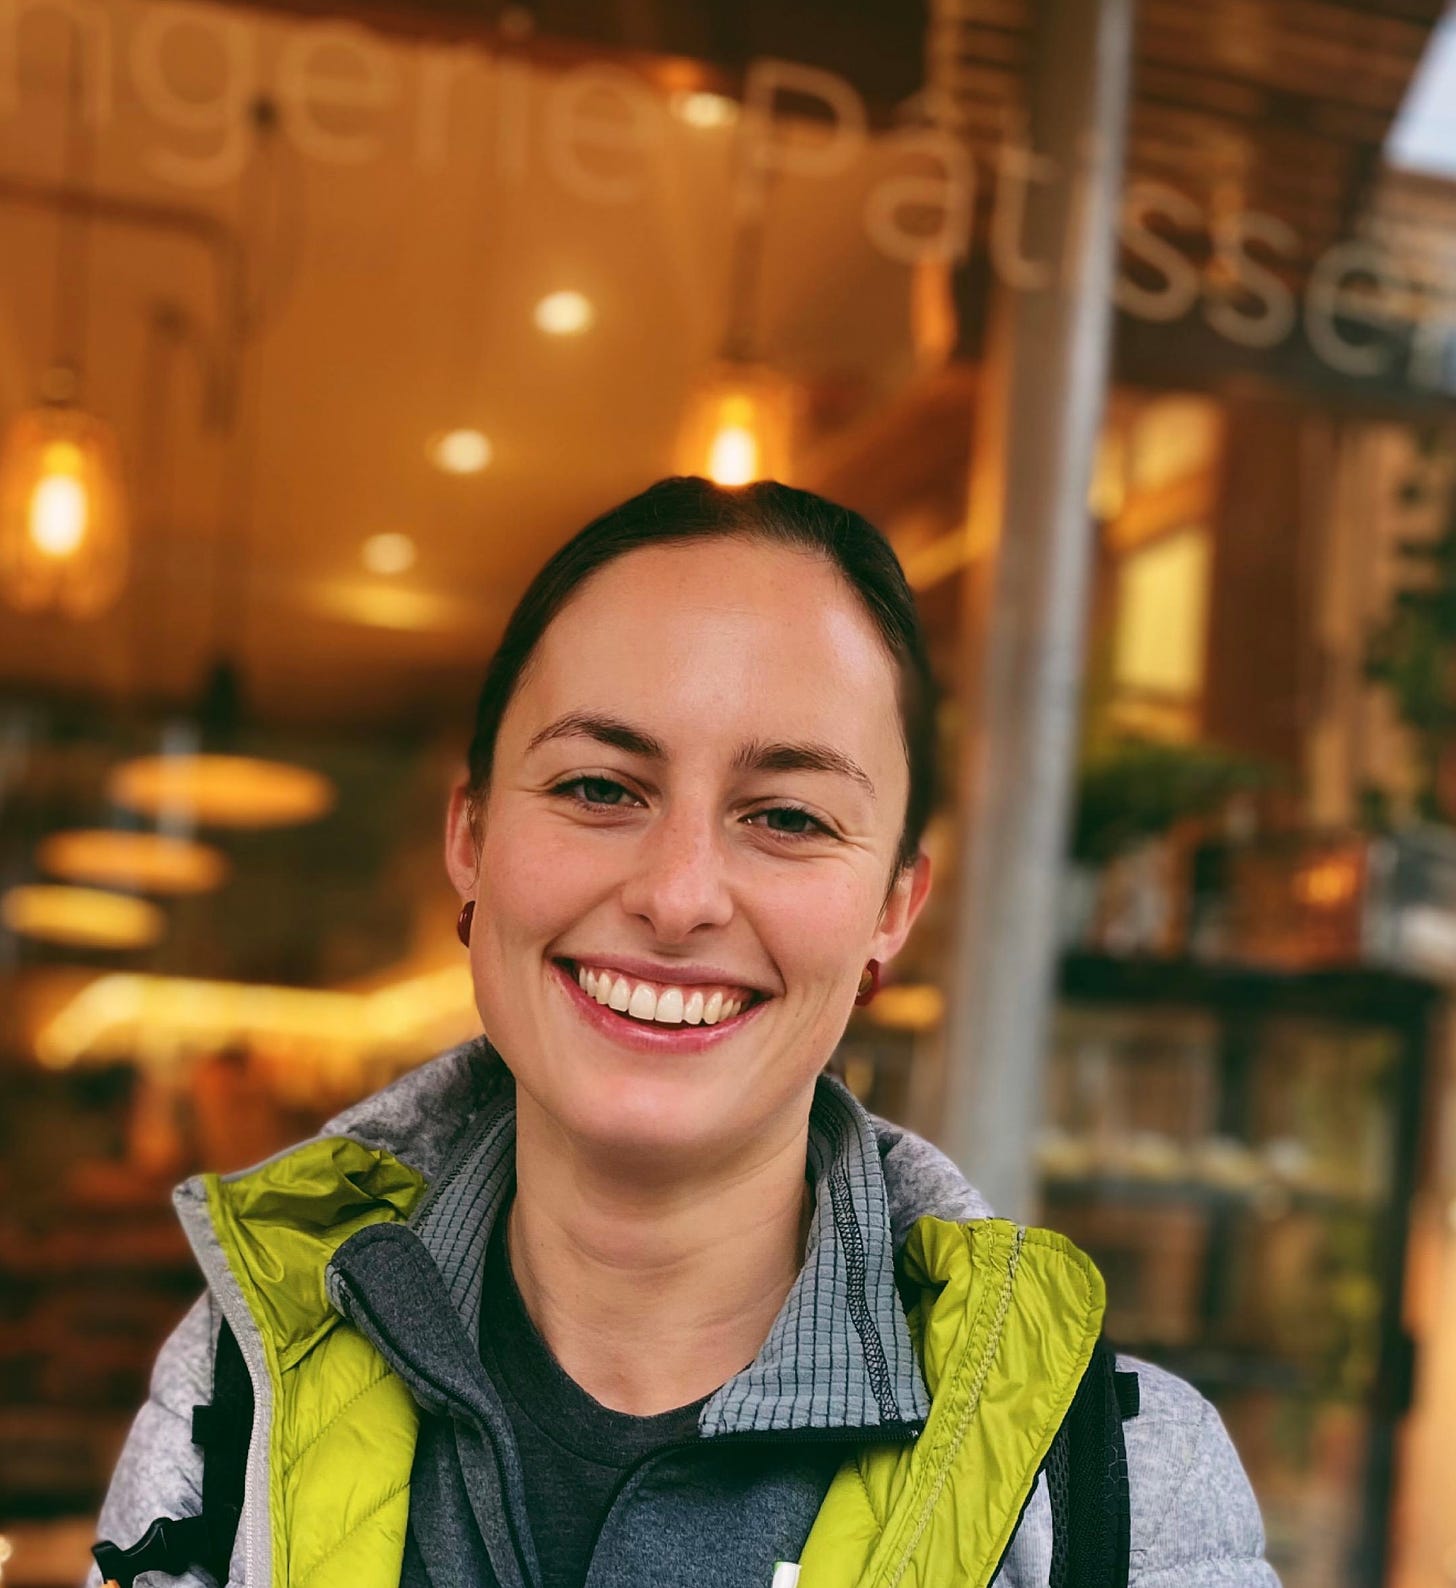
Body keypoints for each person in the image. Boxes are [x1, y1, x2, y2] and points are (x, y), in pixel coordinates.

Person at [89, 477, 1277, 1588]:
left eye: (790, 815)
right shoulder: (242, 1378)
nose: (679, 893)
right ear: (473, 838)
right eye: (600, 788)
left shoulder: (1109, 1480)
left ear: (891, 912)